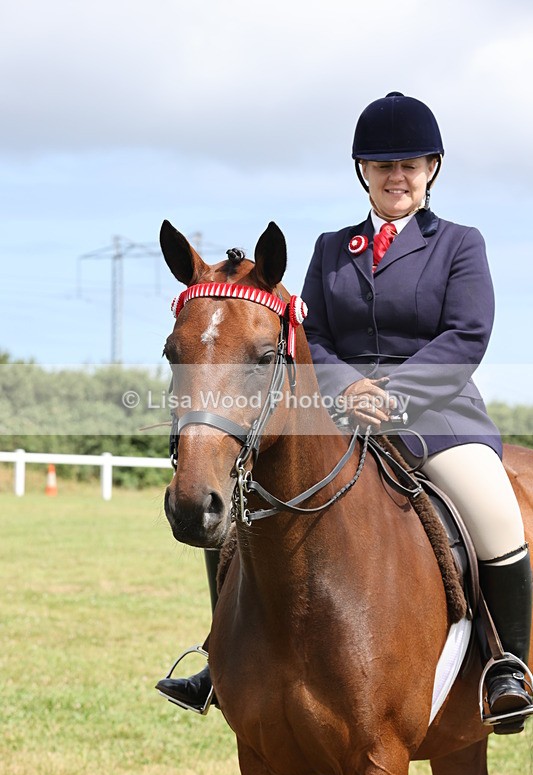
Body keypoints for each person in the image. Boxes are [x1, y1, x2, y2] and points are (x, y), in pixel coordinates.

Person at [157, 91, 533, 734]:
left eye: (410, 164)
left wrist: (397, 391)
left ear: (432, 169)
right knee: (242, 502)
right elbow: (307, 336)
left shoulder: (460, 246)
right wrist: (345, 387)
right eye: (383, 165)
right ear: (363, 171)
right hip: (338, 410)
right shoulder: (333, 248)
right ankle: (223, 656)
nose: (397, 176)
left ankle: (508, 665)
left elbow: (467, 335)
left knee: (494, 508)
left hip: (438, 413)